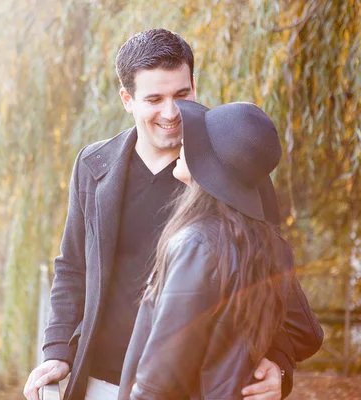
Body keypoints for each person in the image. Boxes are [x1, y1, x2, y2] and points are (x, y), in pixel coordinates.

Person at [24, 29, 323, 400]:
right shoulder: (92, 164)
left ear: (194, 86)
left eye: (181, 95)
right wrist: (56, 352)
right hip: (99, 382)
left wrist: (278, 363)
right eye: (154, 98)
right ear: (127, 99)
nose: (171, 113)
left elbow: (273, 285)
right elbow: (72, 266)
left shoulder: (236, 169)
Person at [119, 99, 300, 399]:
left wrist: (279, 369)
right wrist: (279, 367)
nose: (183, 140)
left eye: (196, 137)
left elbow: (158, 383)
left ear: (210, 163)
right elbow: (308, 331)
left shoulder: (197, 245)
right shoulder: (262, 242)